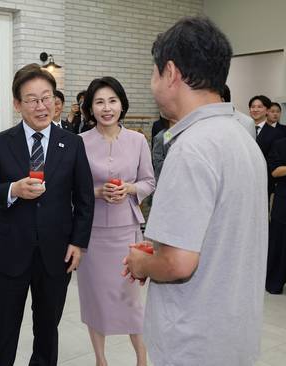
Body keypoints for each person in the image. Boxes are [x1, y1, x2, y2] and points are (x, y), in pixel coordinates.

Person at [123, 16, 268, 365]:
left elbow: (177, 263)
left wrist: (142, 263)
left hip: (193, 341)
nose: (152, 82)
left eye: (154, 73)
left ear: (170, 72)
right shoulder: (242, 137)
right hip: (234, 333)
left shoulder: (191, 147)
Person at [0, 63, 94, 366]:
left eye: (47, 98)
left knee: (47, 328)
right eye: (32, 99)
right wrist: (13, 189)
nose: (42, 106)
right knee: (4, 327)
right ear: (17, 104)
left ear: (55, 101)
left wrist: (78, 243)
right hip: (11, 252)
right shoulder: (1, 142)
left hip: (56, 254)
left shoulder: (73, 144)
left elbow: (83, 199)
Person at [78, 76, 155, 366]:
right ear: (90, 108)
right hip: (92, 234)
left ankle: (141, 360)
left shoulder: (137, 140)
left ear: (122, 104)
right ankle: (101, 360)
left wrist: (130, 189)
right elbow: (71, 188)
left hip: (127, 231)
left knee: (132, 301)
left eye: (112, 101)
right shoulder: (79, 143)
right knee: (95, 299)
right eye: (99, 102)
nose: (106, 108)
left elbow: (149, 181)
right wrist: (97, 192)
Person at [251, 95, 285, 198]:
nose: (255, 109)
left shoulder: (276, 133)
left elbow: (277, 160)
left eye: (259, 107)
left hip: (265, 180)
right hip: (245, 178)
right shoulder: (243, 129)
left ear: (266, 110)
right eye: (252, 107)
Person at [266, 137, 286, 294]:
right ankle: (274, 282)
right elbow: (275, 171)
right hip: (283, 199)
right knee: (278, 242)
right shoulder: (280, 144)